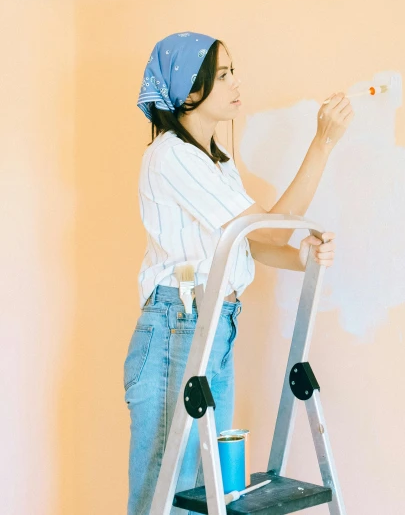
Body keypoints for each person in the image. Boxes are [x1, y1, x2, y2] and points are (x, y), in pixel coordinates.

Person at [124, 31, 353, 514]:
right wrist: (323, 142)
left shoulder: (217, 164)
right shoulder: (172, 155)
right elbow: (266, 233)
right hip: (177, 326)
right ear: (189, 92)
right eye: (222, 74)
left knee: (203, 496)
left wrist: (304, 257)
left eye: (233, 71)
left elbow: (249, 244)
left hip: (212, 325)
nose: (236, 82)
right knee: (166, 496)